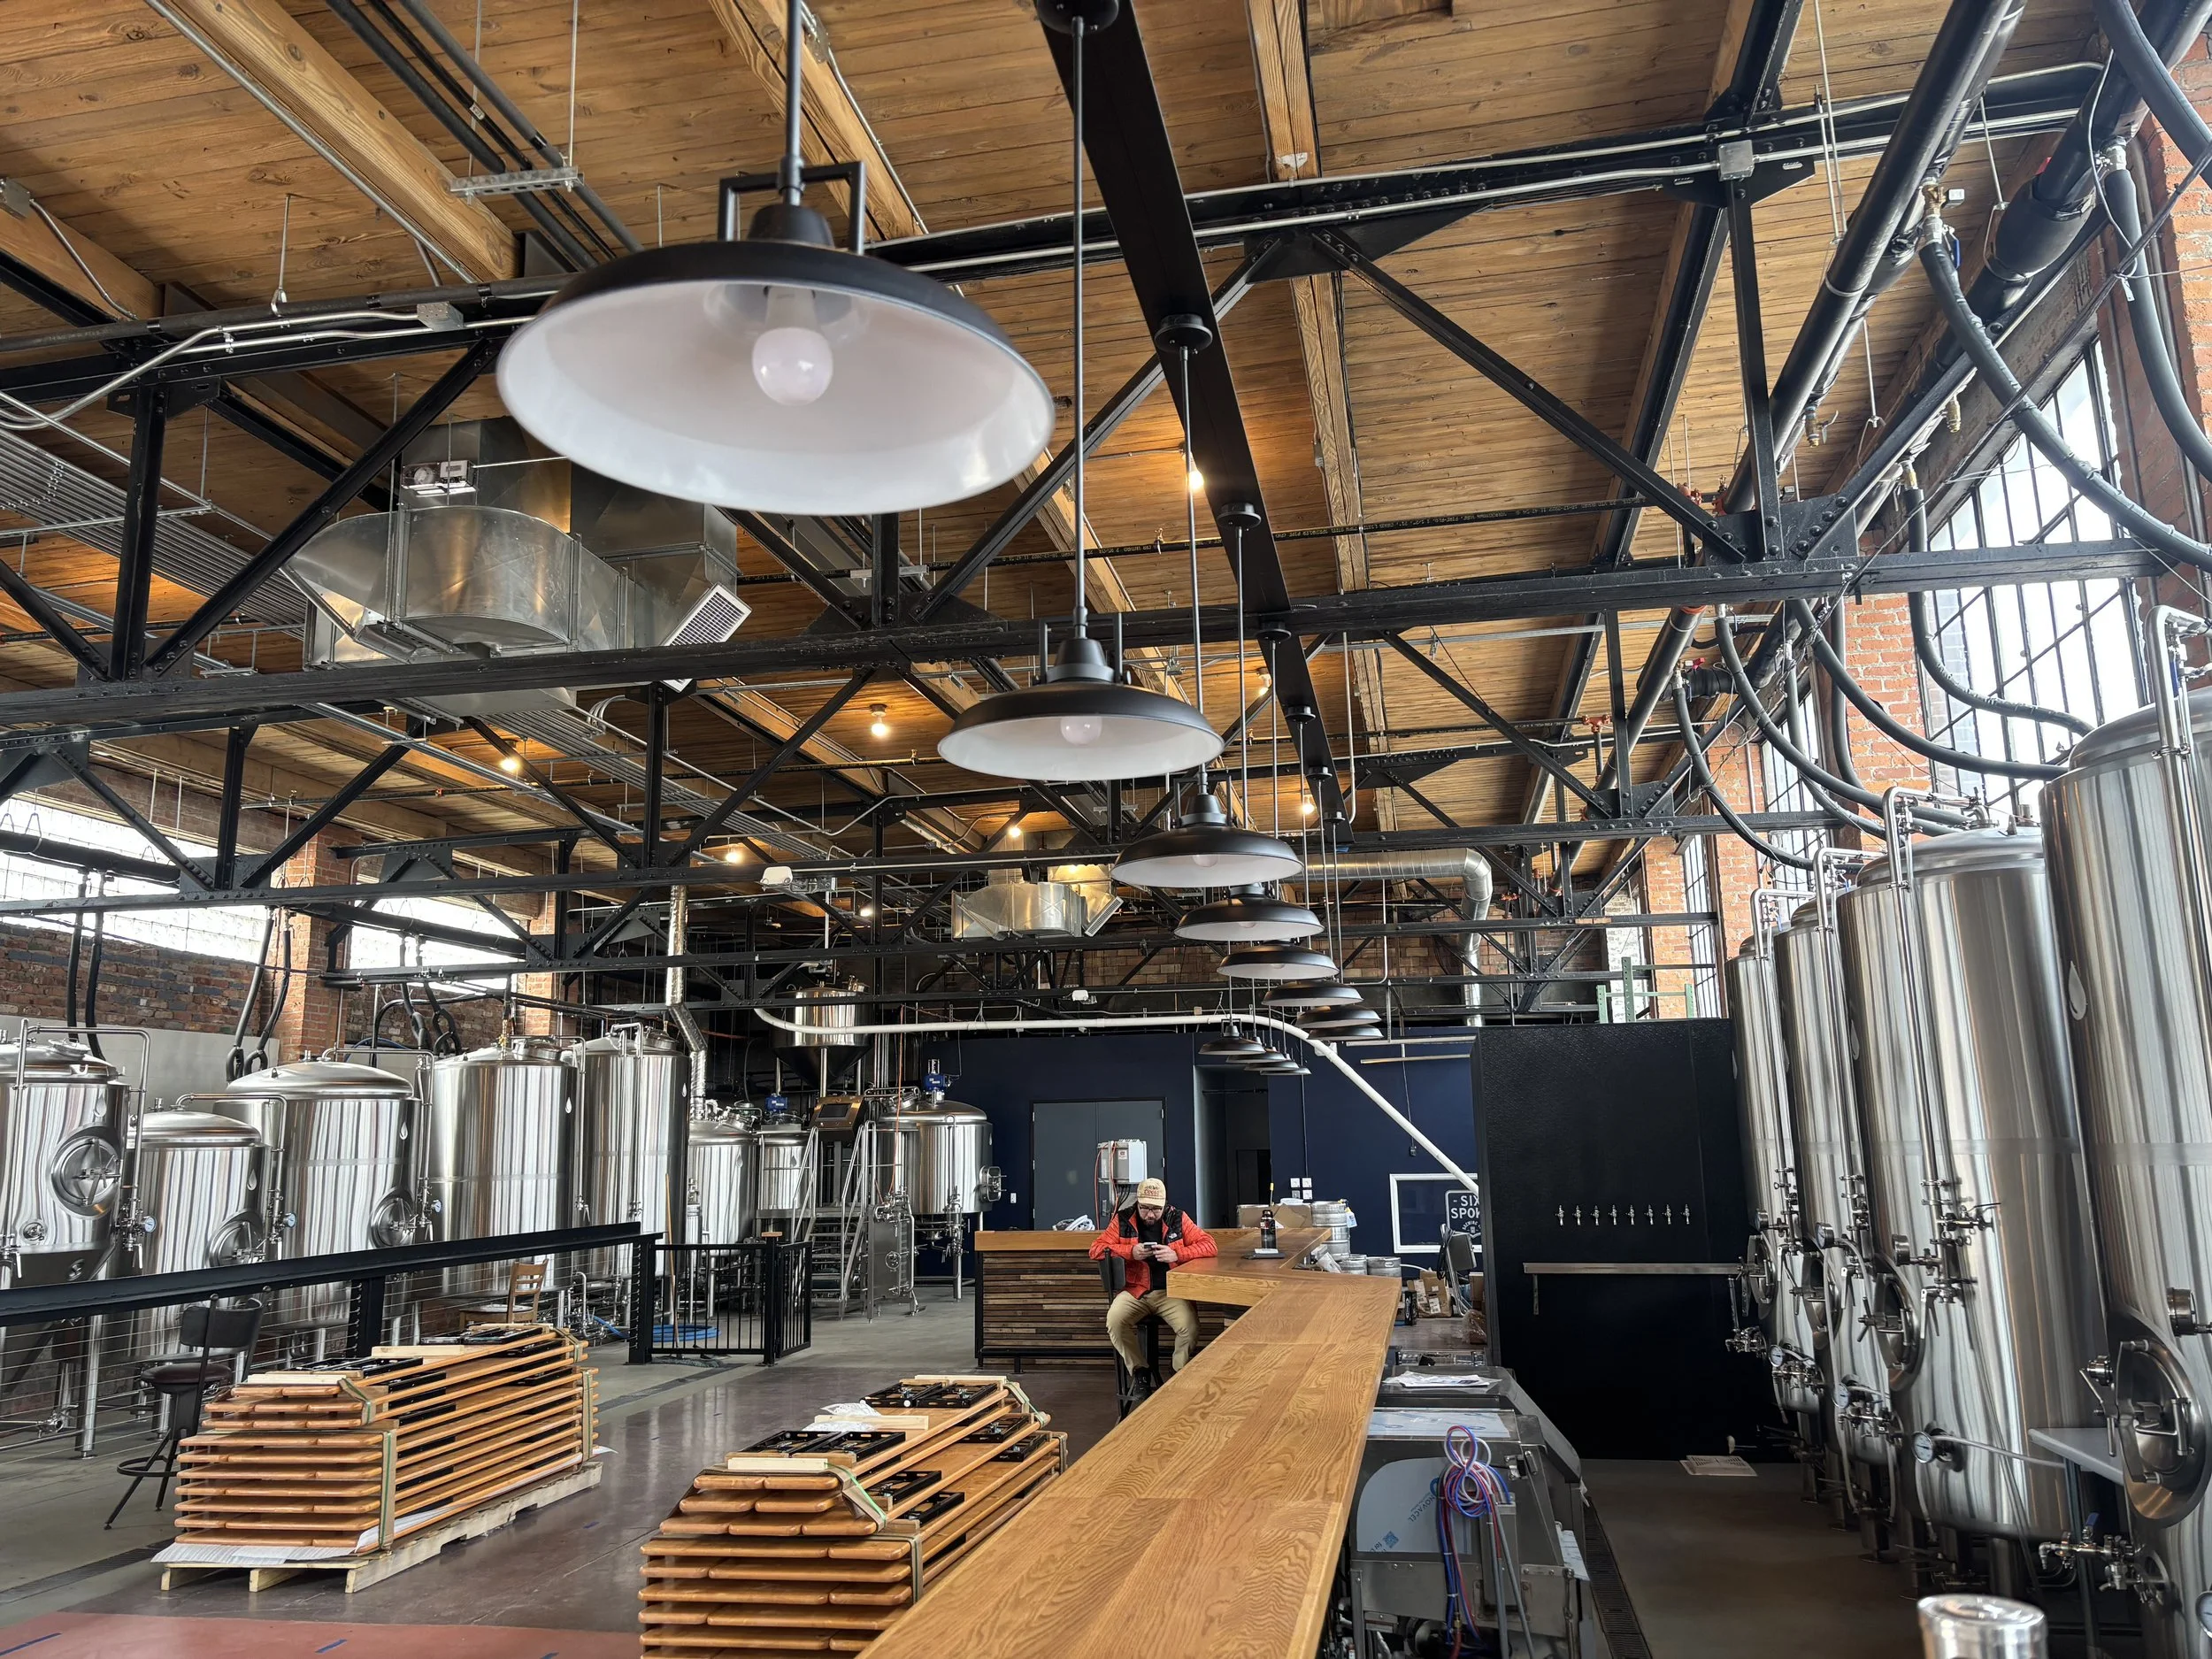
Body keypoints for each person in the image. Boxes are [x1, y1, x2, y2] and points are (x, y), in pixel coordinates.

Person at [1089, 1178, 1216, 1393]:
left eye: (1156, 1209)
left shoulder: (1177, 1217)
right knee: (1115, 1322)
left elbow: (1210, 1245)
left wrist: (1177, 1254)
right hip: (1135, 1291)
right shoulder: (1123, 1218)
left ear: (1164, 1205)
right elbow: (1095, 1249)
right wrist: (1130, 1252)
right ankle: (1140, 1371)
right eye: (1145, 1208)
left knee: (1190, 1328)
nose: (1150, 1214)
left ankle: (1177, 1370)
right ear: (1137, 1203)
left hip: (1170, 1290)